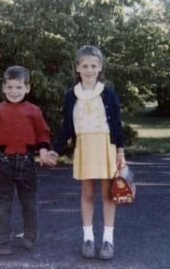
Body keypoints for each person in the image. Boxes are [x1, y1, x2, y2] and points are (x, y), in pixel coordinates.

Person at [47, 45, 125, 260]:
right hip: (85, 148)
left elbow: (117, 124)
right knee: (88, 194)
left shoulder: (108, 93)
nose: (89, 69)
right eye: (85, 66)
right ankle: (88, 239)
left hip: (106, 147)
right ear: (77, 68)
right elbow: (66, 127)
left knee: (108, 194)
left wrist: (120, 150)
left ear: (100, 68)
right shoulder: (72, 95)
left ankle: (108, 239)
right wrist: (55, 150)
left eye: (93, 65)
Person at [0, 65, 51, 255]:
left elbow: (42, 134)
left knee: (29, 200)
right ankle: (2, 241)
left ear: (27, 88)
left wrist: (43, 150)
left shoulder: (34, 110)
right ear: (3, 88)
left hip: (27, 162)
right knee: (2, 203)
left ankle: (30, 236)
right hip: (2, 162)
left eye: (19, 87)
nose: (14, 91)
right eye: (10, 87)